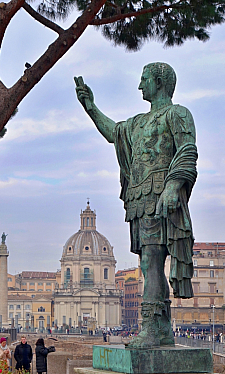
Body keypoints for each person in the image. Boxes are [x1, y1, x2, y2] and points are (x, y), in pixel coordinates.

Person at [76, 62, 197, 348]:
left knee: (151, 261)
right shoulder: (138, 122)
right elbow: (114, 134)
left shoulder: (178, 114)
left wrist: (172, 186)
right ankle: (160, 327)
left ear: (159, 82)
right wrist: (91, 108)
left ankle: (154, 328)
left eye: (144, 80)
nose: (140, 85)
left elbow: (187, 150)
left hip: (161, 195)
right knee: (148, 262)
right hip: (141, 198)